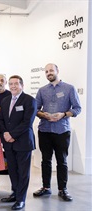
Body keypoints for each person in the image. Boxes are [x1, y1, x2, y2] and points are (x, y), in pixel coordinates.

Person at [33, 63, 81, 201]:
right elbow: (35, 109)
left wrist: (64, 114)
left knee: (62, 161)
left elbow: (77, 108)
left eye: (51, 70)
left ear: (57, 71)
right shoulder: (42, 90)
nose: (49, 73)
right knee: (45, 160)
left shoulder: (69, 88)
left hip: (62, 130)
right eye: (46, 71)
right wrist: (43, 115)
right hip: (45, 130)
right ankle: (46, 187)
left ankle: (63, 189)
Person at [0, 75, 37, 210]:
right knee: (13, 171)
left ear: (22, 85)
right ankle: (15, 193)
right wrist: (5, 134)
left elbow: (27, 122)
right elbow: (1, 120)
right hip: (9, 142)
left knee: (23, 172)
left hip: (23, 142)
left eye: (16, 84)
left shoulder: (30, 100)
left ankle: (21, 199)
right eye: (11, 84)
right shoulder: (5, 100)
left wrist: (12, 134)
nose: (13, 86)